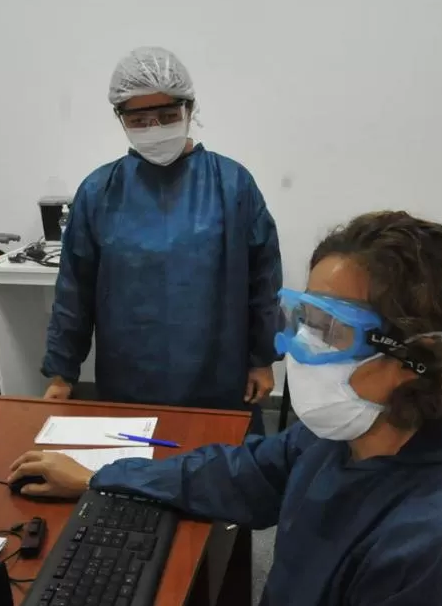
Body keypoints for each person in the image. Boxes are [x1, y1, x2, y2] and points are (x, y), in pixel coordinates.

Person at [14, 211, 442, 605]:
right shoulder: (348, 435)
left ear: (413, 354)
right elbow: (240, 476)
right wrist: (101, 477)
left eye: (332, 330)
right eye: (305, 319)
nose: (296, 348)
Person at [42, 47, 282, 434]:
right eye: (139, 119)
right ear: (120, 118)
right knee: (133, 474)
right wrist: (61, 373)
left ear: (189, 109)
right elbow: (74, 291)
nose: (154, 128)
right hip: (130, 375)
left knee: (223, 475)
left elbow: (263, 283)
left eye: (167, 116)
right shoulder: (100, 191)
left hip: (218, 371)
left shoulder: (233, 184)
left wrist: (261, 359)